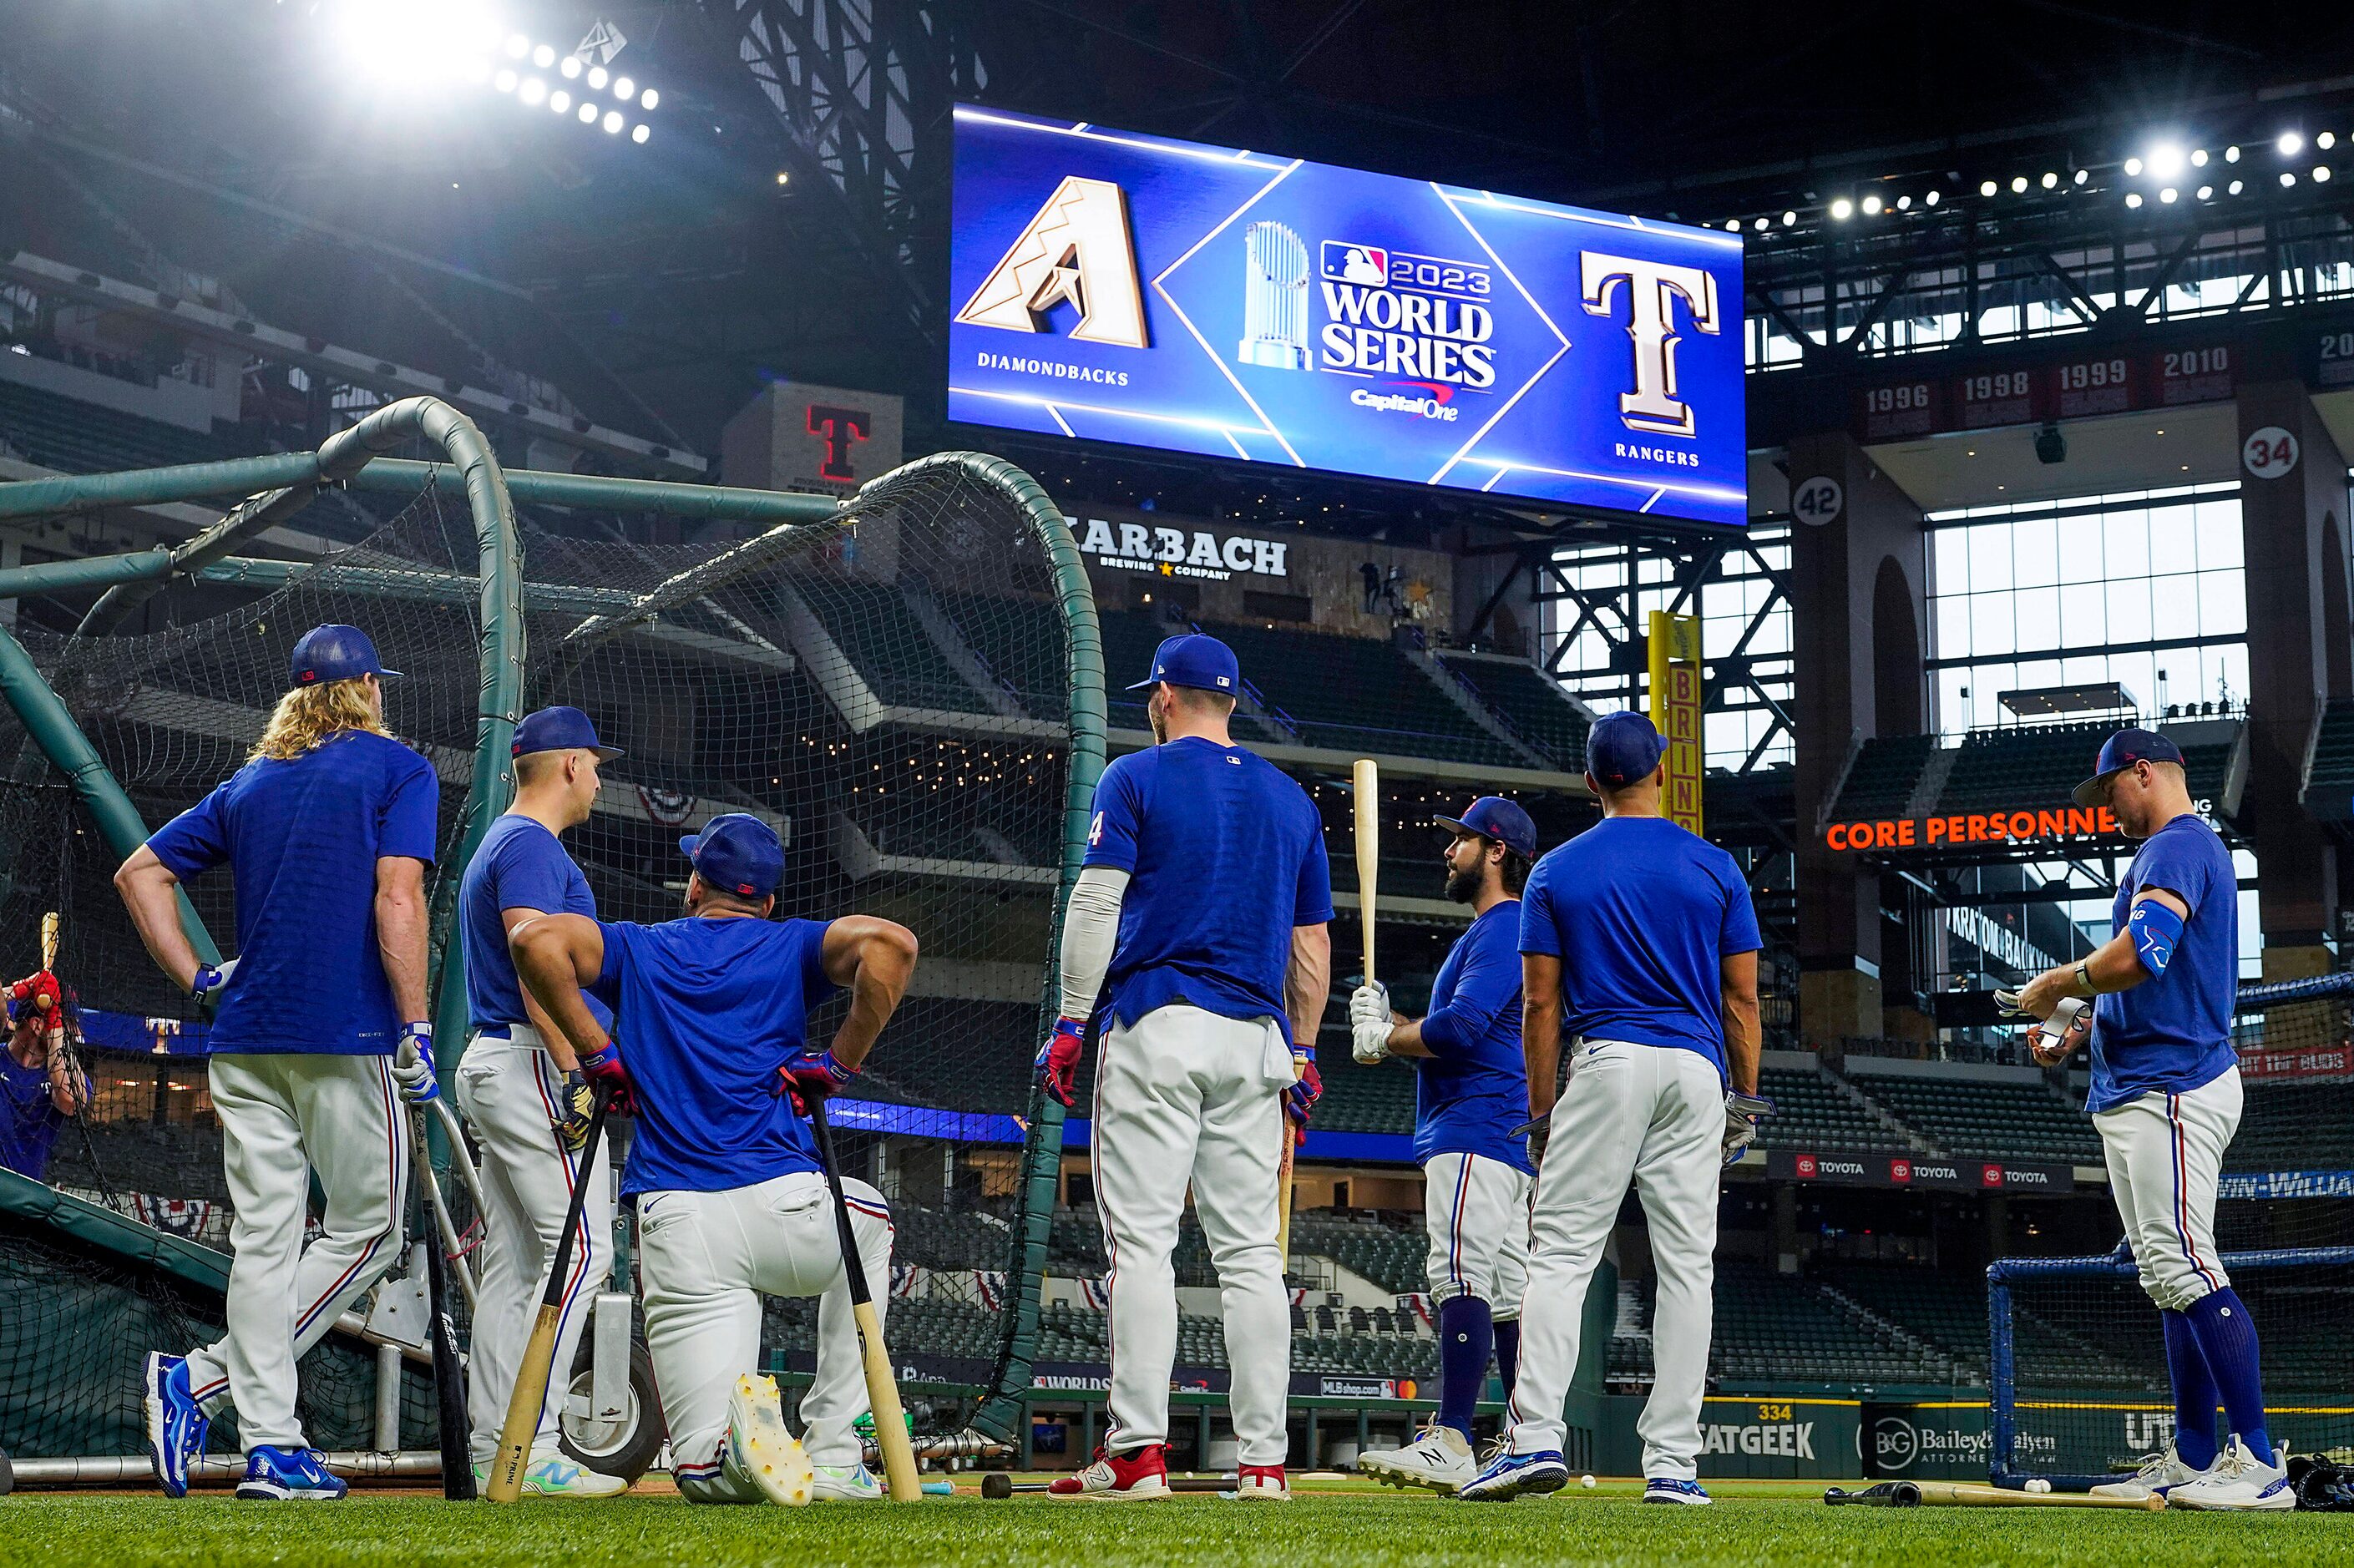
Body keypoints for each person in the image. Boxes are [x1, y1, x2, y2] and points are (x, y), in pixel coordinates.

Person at [509, 813, 918, 1505]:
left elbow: (533, 938)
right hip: (788, 1213)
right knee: (871, 1217)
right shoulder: (791, 945)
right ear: (768, 899)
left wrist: (596, 1051)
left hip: (679, 1224)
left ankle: (723, 1455)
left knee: (700, 1477)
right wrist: (839, 1064)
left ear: (695, 884)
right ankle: (834, 1451)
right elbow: (894, 947)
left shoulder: (636, 948)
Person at [116, 624, 438, 1501]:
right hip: (346, 1034)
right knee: (369, 1234)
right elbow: (398, 896)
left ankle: (269, 1444)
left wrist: (198, 979)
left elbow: (138, 874)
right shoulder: (397, 767)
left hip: (245, 1035)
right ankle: (209, 1381)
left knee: (263, 1244)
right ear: (367, 688)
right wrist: (416, 1028)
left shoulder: (249, 782)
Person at [1034, 632, 1332, 1500]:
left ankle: (1138, 1452)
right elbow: (1309, 946)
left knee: (1144, 1250)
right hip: (1255, 1041)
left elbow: (1095, 902)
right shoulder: (1289, 801)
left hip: (1157, 1022)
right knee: (1250, 1258)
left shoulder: (1135, 776)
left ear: (1163, 697)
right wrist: (1305, 1052)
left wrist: (1068, 1020)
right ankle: (1263, 1465)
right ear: (1229, 700)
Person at [1460, 711, 1762, 1505]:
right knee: (1686, 1270)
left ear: (1591, 783)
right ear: (1660, 771)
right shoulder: (1715, 866)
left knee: (1559, 1255)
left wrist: (1539, 1114)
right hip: (1695, 1069)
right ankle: (1673, 1467)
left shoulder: (1556, 870)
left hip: (1606, 1062)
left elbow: (1538, 1005)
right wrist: (1746, 1098)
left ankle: (1532, 1441)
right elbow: (1742, 1000)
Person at [2008, 729, 2287, 1510]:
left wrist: (2056, 983)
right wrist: (2075, 1022)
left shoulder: (2175, 846)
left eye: (2108, 794)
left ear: (2142, 774)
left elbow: (2143, 957)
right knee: (2166, 1278)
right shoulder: (2169, 852)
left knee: (2186, 1267)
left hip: (2172, 1085)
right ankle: (2195, 1456)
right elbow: (2138, 980)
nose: (2104, 811)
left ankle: (2260, 1465)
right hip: (2143, 1081)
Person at [449, 706, 630, 1498]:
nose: (598, 776)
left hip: (499, 1060)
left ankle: (501, 1444)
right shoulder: (528, 843)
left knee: (518, 1271)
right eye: (594, 762)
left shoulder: (507, 838)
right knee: (583, 1252)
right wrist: (577, 1065)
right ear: (566, 766)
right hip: (528, 1061)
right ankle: (539, 1442)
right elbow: (533, 955)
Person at [1349, 796, 1538, 1492]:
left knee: (1460, 1277)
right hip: (1501, 1130)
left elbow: (1457, 1032)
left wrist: (1385, 1040)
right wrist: (1391, 1020)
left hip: (1474, 1126)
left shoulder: (1503, 926)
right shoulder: (1499, 932)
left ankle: (1454, 1437)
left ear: (1495, 852)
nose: (1446, 851)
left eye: (1459, 841)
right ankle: (1524, 1440)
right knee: (1511, 1294)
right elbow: (1462, 1028)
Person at [0, 969, 84, 1180]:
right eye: (69, 1024)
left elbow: (71, 1100)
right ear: (37, 1025)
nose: (75, 1033)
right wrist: (18, 989)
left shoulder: (59, 1075)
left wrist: (53, 1017)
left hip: (24, 1200)